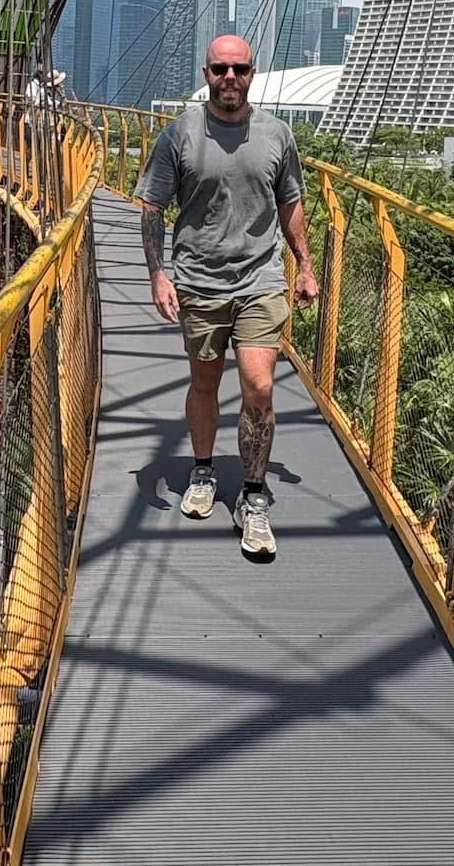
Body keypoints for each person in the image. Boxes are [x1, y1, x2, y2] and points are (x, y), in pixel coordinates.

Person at [136, 34, 318, 559]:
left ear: (253, 72)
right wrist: (157, 273)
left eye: (239, 68)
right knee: (205, 382)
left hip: (260, 280)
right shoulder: (181, 134)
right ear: (207, 72)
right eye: (220, 69)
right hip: (198, 280)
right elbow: (152, 206)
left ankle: (254, 497)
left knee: (259, 387)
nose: (230, 78)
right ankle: (202, 470)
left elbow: (291, 204)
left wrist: (303, 265)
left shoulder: (276, 135)